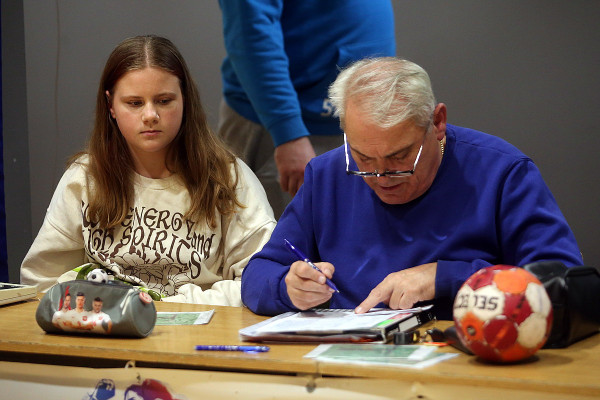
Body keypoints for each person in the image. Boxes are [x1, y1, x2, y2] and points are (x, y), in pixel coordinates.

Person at [241, 57, 583, 320]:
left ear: (437, 123)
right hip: (343, 361)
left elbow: (564, 284)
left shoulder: (502, 172)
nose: (381, 176)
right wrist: (288, 287)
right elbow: (257, 275)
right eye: (363, 158)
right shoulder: (327, 174)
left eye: (399, 157)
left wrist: (446, 276)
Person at [21, 35, 275, 306]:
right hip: (106, 327)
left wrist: (165, 308)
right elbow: (41, 284)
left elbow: (262, 278)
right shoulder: (85, 179)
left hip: (200, 326)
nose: (150, 115)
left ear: (185, 100)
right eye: (135, 103)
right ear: (111, 106)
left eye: (164, 101)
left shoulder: (228, 178)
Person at [217, 0, 396, 218]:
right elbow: (250, 30)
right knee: (280, 237)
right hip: (291, 133)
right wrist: (288, 133)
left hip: (361, 126)